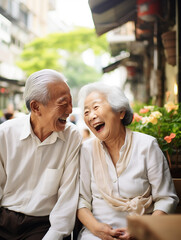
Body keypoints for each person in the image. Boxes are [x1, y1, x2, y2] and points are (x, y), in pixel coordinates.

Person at [76, 82, 179, 240]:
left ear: (121, 112)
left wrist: (141, 229)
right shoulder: (86, 150)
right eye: (86, 112)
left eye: (96, 107)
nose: (91, 116)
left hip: (144, 232)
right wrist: (97, 229)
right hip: (96, 235)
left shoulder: (147, 146)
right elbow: (81, 199)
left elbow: (166, 198)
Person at [0, 69, 82, 240]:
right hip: (4, 219)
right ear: (36, 107)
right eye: (63, 103)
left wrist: (53, 235)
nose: (70, 110)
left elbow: (67, 199)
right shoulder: (5, 133)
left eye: (71, 102)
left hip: (44, 225)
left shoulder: (72, 137)